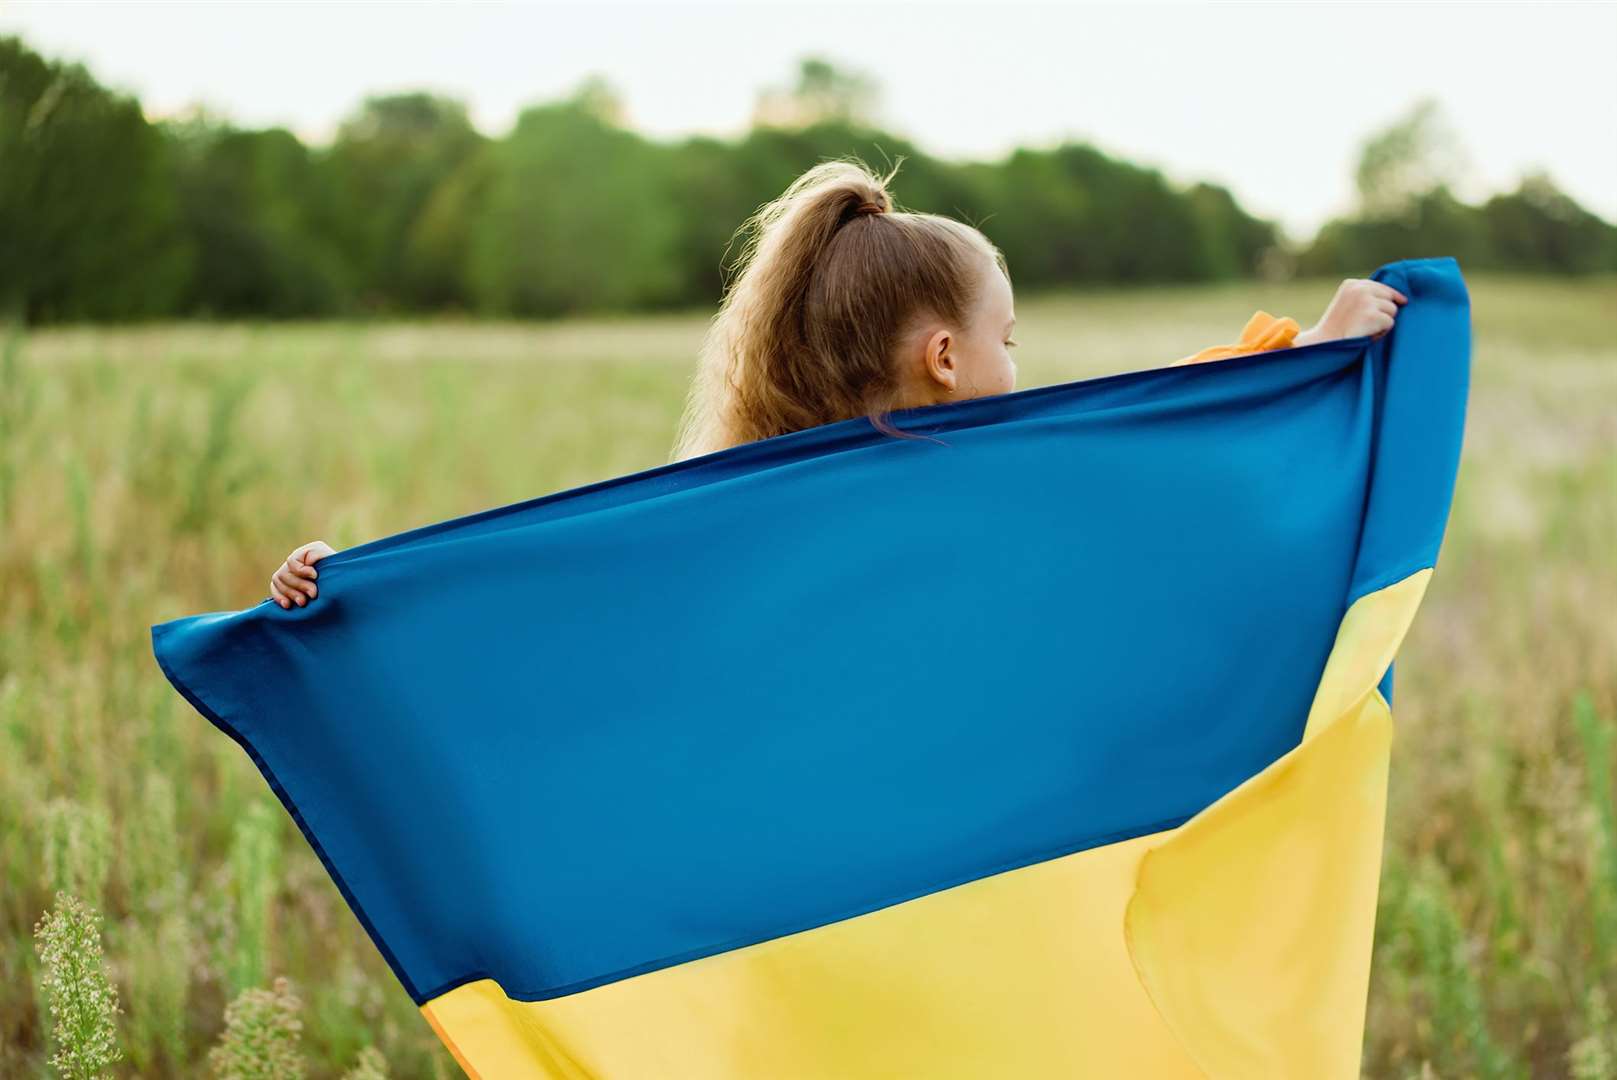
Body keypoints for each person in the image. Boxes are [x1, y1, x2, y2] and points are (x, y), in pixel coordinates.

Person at [267, 160, 1407, 610]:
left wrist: (373, 591)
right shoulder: (997, 476)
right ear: (946, 358)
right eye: (1010, 336)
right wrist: (1316, 352)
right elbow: (1169, 442)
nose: (1024, 366)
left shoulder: (745, 496)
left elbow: (551, 581)